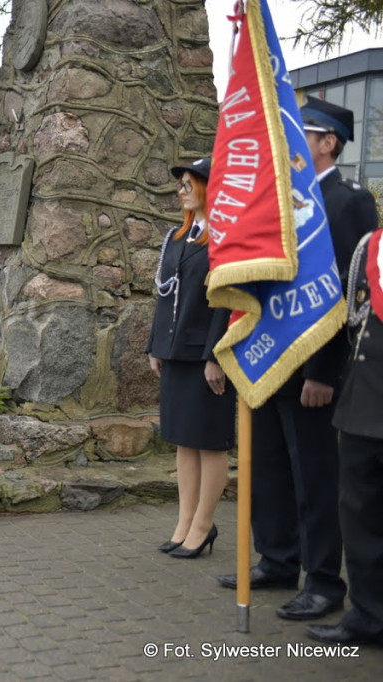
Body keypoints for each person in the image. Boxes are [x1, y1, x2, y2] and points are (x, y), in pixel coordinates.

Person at [217, 97, 378, 620]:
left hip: (312, 365)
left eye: (302, 134)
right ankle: (278, 558)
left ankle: (325, 580)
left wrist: (322, 372)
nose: (289, 143)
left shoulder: (347, 200)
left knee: (314, 477)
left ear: (328, 142)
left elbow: (348, 295)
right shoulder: (283, 198)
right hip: (269, 358)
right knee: (268, 468)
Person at [147, 157, 233, 559]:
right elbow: (164, 297)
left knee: (210, 442)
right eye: (179, 183)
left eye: (188, 182)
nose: (180, 189)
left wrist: (215, 356)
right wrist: (155, 345)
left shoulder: (225, 238)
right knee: (184, 441)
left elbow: (224, 303)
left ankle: (204, 525)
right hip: (177, 352)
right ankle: (184, 522)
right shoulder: (177, 237)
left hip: (206, 356)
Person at [306, 228, 383, 646]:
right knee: (360, 523)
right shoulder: (371, 247)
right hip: (362, 407)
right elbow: (348, 320)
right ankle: (368, 618)